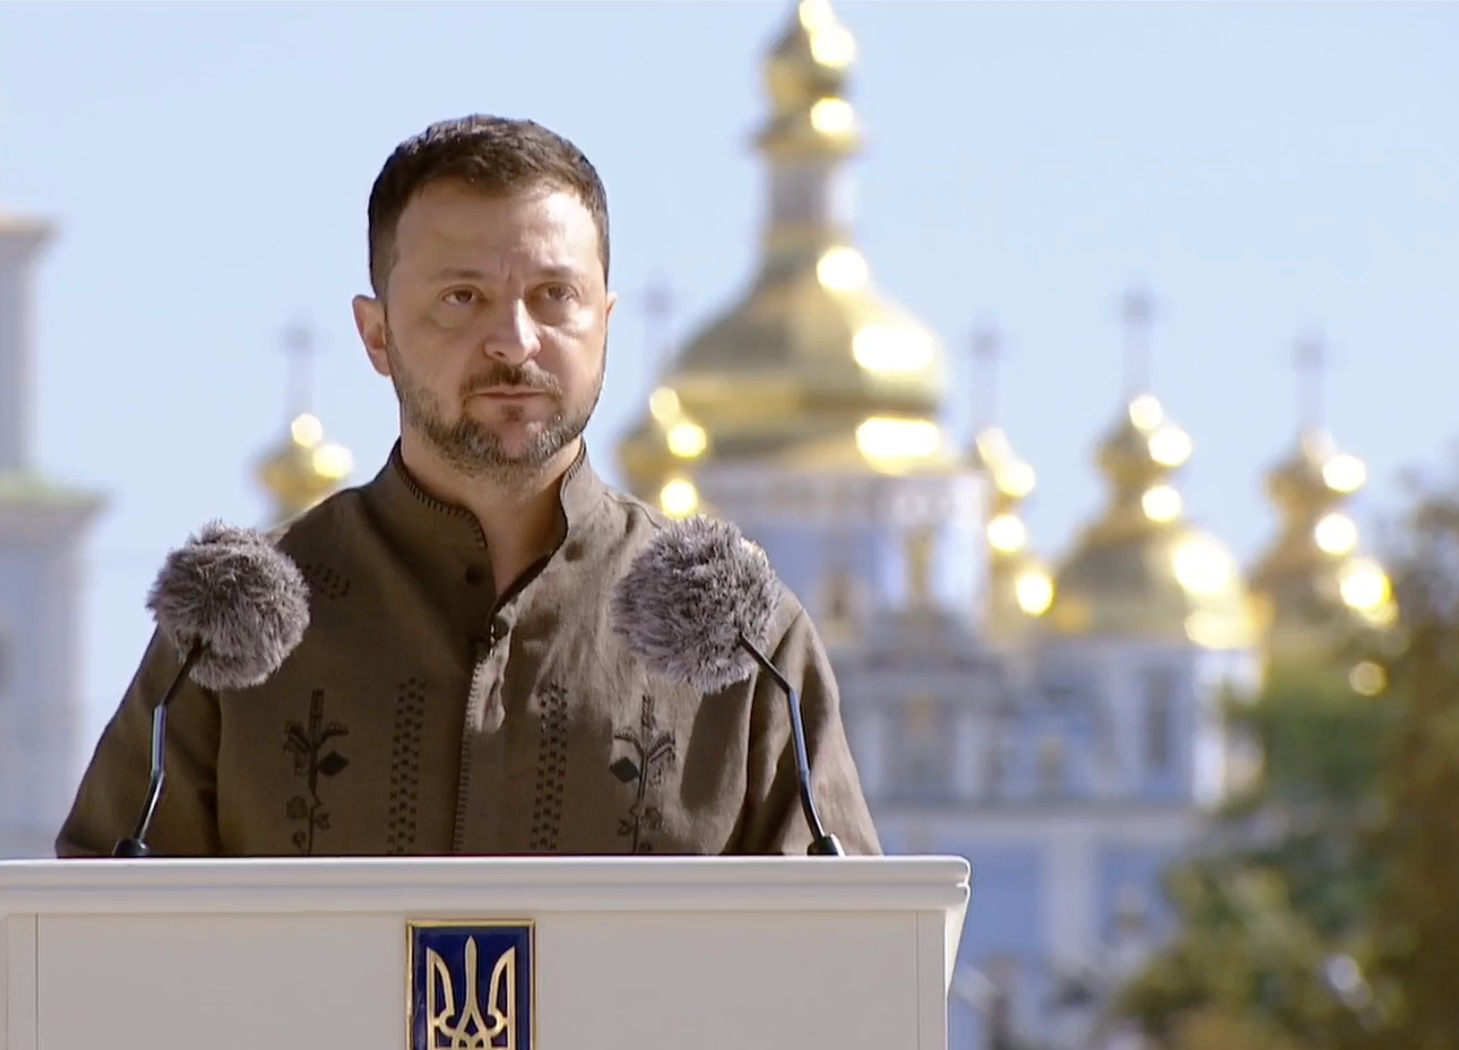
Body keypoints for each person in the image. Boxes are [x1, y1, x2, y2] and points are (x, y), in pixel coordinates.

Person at [55, 115, 880, 858]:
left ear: (606, 322)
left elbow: (853, 967)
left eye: (555, 296)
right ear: (376, 335)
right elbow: (97, 957)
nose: (513, 342)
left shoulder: (742, 641)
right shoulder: (228, 634)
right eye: (462, 298)